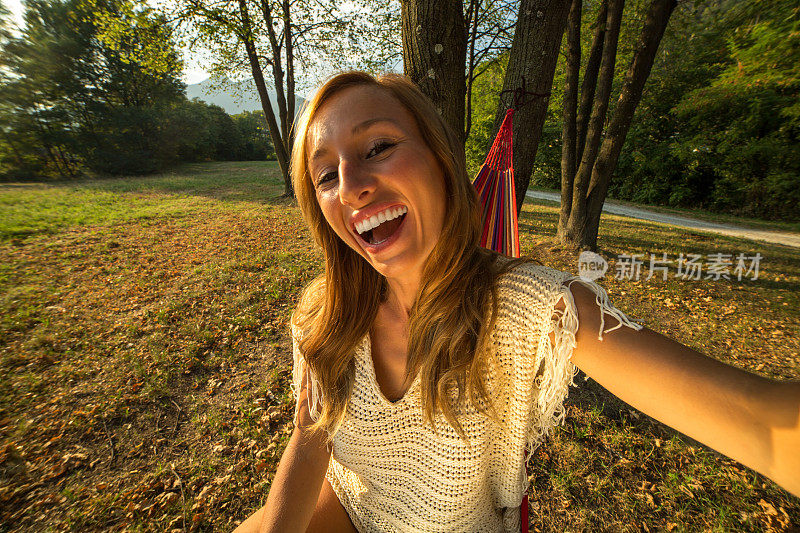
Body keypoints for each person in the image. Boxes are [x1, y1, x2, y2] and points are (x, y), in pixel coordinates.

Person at [234, 71, 800, 533]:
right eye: (326, 175)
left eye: (378, 147)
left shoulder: (525, 308)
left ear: (440, 160)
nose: (352, 184)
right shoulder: (322, 313)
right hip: (348, 507)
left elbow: (762, 423)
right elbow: (310, 437)